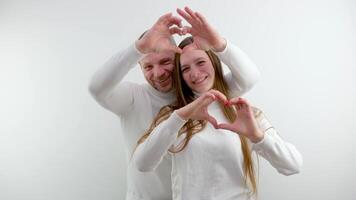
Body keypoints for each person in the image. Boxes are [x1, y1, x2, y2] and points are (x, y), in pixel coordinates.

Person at [88, 7, 260, 200]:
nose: (158, 73)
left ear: (178, 59)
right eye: (148, 66)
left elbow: (249, 78)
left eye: (165, 62)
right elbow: (97, 88)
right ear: (139, 66)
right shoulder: (133, 98)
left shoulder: (201, 94)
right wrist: (139, 48)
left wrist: (218, 43)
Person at [133, 8, 303, 200]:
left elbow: (293, 166)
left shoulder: (244, 114)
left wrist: (257, 136)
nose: (195, 74)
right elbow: (142, 164)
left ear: (214, 63)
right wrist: (180, 117)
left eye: (200, 62)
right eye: (185, 68)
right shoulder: (174, 116)